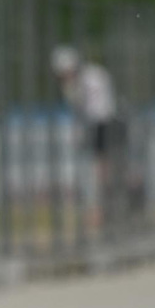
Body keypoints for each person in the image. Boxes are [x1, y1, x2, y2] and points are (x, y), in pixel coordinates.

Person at [53, 44, 121, 231]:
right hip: (103, 122)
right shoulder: (95, 74)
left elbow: (88, 109)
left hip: (99, 123)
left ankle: (98, 211)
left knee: (98, 170)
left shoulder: (80, 82)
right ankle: (101, 209)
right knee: (102, 169)